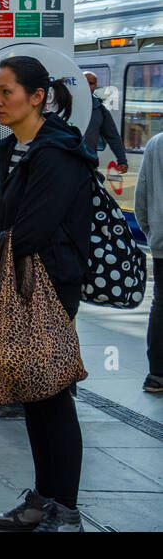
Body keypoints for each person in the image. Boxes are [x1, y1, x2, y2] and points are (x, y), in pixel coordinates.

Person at [0, 55, 94, 532]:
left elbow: (33, 231)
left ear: (37, 97)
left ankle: (65, 509)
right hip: (13, 282)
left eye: (6, 92)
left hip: (49, 285)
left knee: (54, 393)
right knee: (34, 393)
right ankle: (44, 499)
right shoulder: (13, 149)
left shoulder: (58, 152)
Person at [132, 128, 163, 394]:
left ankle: (157, 375)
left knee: (161, 304)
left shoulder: (156, 144)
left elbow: (140, 198)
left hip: (162, 244)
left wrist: (153, 234)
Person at [81, 71, 128, 171]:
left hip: (89, 163)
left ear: (95, 86)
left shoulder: (100, 110)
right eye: (85, 82)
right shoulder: (68, 104)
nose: (88, 86)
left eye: (91, 83)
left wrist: (122, 160)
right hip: (67, 161)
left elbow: (113, 136)